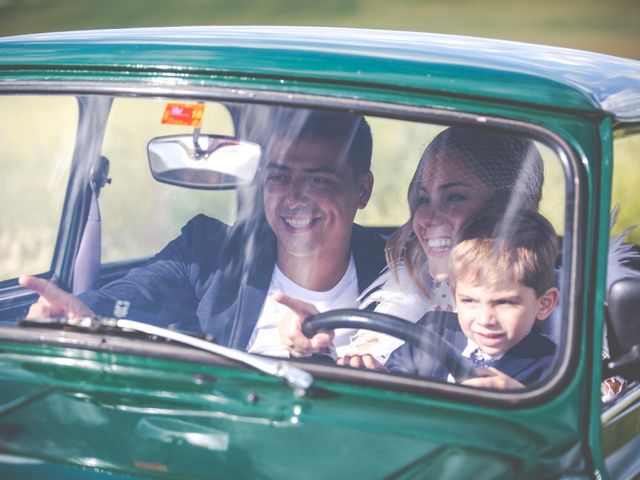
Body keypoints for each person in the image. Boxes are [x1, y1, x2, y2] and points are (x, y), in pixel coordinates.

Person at [19, 109, 387, 355]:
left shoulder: (397, 273)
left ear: (362, 190)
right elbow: (137, 293)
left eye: (318, 179)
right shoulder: (208, 254)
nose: (293, 197)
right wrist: (84, 314)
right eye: (277, 176)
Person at [280, 126, 545, 362]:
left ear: (505, 207)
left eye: (454, 198)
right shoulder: (412, 281)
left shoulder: (550, 295)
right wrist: (316, 348)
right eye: (423, 199)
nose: (427, 218)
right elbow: (370, 363)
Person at [385, 209, 560, 389]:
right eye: (469, 301)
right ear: (455, 295)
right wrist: (370, 373)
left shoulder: (554, 371)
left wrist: (521, 399)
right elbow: (393, 379)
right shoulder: (432, 331)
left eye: (504, 303)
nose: (485, 319)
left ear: (544, 304)